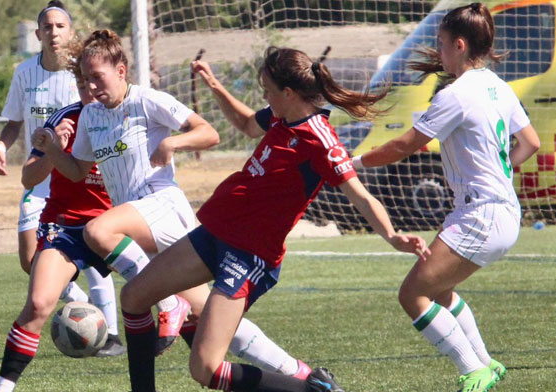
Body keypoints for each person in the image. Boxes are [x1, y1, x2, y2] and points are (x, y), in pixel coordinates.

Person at [118, 46, 430, 392]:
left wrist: (392, 236)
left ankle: (313, 389)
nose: (264, 95)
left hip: (248, 256)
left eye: (267, 89)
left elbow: (360, 195)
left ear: (288, 92)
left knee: (205, 370)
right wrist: (214, 85)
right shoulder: (281, 115)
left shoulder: (321, 140)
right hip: (213, 235)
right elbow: (247, 124)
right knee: (133, 297)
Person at [35, 29, 318, 386]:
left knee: (97, 230)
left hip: (163, 208)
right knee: (214, 326)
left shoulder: (147, 100)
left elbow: (208, 133)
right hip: (137, 231)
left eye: (97, 77)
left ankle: (168, 304)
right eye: (85, 79)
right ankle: (305, 377)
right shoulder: (91, 117)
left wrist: (172, 142)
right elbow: (77, 171)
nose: (90, 87)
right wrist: (54, 152)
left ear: (121, 71)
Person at [352, 3, 541, 391]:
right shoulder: (499, 86)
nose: (437, 52)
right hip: (502, 211)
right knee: (439, 290)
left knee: (412, 294)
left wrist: (351, 162)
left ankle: (474, 369)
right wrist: (499, 172)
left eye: (440, 44)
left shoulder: (455, 95)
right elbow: (531, 143)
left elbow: (405, 145)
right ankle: (487, 363)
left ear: (458, 45)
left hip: (481, 215)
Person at [0, 0, 121, 348]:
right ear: (38, 34)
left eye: (60, 26)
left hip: (76, 177)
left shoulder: (82, 75)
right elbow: (14, 122)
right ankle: (84, 308)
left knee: (95, 254)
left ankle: (113, 334)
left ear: (70, 31)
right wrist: (1, 147)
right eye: (47, 26)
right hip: (40, 174)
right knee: (31, 261)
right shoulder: (24, 72)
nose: (54, 32)